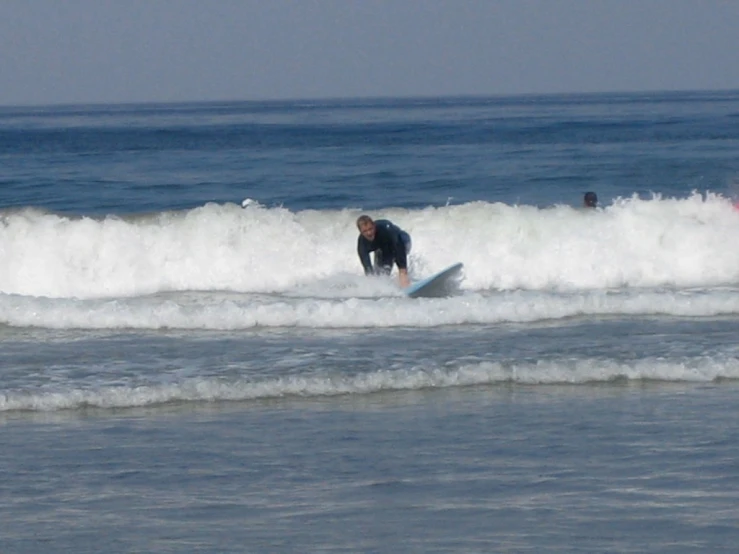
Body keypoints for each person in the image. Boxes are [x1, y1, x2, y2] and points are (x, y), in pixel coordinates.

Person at [356, 215, 412, 288]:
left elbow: (399, 246)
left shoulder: (386, 229)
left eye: (370, 229)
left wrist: (402, 271)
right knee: (381, 274)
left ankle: (406, 283)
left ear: (374, 226)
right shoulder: (362, 244)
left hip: (401, 240)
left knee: (401, 269)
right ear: (360, 232)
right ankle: (392, 286)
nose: (369, 233)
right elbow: (368, 269)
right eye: (365, 231)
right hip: (382, 248)